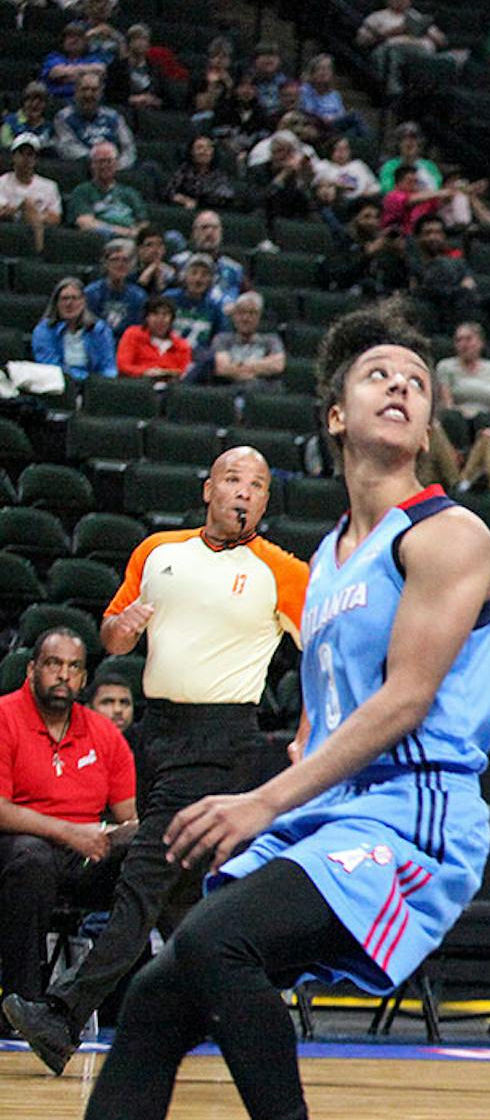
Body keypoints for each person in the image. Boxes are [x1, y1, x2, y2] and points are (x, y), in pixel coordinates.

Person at [0, 304, 490, 1120]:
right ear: (335, 414)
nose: (401, 385)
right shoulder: (325, 566)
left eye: (416, 377)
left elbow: (402, 703)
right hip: (331, 817)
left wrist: (259, 802)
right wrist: (282, 793)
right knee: (157, 988)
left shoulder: (449, 535)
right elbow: (323, 723)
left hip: (417, 820)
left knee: (219, 938)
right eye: (378, 375)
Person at [5, 448, 308, 1076]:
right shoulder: (158, 551)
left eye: (257, 485)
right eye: (232, 480)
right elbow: (113, 635)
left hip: (221, 736)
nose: (243, 493)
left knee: (142, 878)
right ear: (207, 489)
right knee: (183, 903)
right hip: (159, 732)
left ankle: (61, 1017)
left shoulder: (281, 570)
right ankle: (253, 1019)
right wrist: (125, 628)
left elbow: (325, 655)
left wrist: (307, 729)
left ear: (266, 501)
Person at [0, 628, 137, 1011]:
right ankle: (20, 1003)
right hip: (18, 847)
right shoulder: (4, 716)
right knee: (32, 859)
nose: (64, 674)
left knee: (148, 857)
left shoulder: (104, 733)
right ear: (31, 669)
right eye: (53, 664)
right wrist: (68, 832)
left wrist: (118, 836)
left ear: (84, 679)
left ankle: (122, 999)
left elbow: (130, 818)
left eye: (74, 667)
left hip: (85, 856)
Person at [31, 275, 116, 379]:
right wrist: (85, 378)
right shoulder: (44, 330)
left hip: (95, 388)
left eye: (75, 298)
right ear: (56, 303)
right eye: (64, 299)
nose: (69, 303)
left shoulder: (100, 329)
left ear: (83, 302)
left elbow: (109, 367)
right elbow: (51, 368)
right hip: (59, 386)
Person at [114, 294, 190, 379]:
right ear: (147, 317)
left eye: (165, 314)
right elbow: (123, 366)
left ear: (172, 319)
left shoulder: (181, 345)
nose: (160, 319)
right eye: (155, 314)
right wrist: (145, 372)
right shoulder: (132, 334)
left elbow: (184, 373)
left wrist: (165, 373)